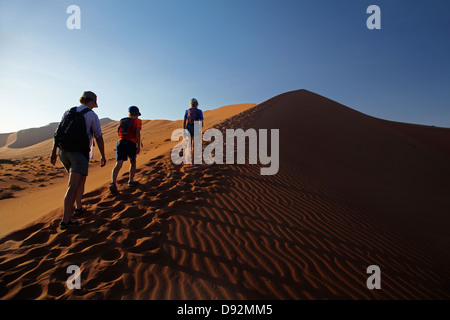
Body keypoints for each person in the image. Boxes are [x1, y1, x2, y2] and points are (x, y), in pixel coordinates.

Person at [50, 91, 106, 230]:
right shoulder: (92, 115)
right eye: (95, 102)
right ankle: (66, 221)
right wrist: (103, 155)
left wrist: (54, 152)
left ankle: (78, 208)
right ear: (92, 101)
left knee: (80, 180)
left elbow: (58, 133)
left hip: (63, 152)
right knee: (73, 185)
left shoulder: (69, 111)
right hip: (78, 154)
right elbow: (98, 136)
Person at [110, 106, 142, 193]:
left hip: (121, 143)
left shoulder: (123, 121)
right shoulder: (137, 121)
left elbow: (118, 132)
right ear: (137, 114)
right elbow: (137, 132)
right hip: (131, 143)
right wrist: (138, 145)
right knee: (132, 162)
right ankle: (131, 181)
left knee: (118, 164)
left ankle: (113, 183)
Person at [183, 98, 204, 165]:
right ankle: (192, 162)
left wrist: (184, 130)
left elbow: (184, 121)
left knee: (189, 145)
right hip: (196, 128)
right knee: (194, 146)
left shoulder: (187, 111)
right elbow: (202, 123)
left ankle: (187, 160)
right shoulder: (199, 111)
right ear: (197, 104)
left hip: (188, 128)